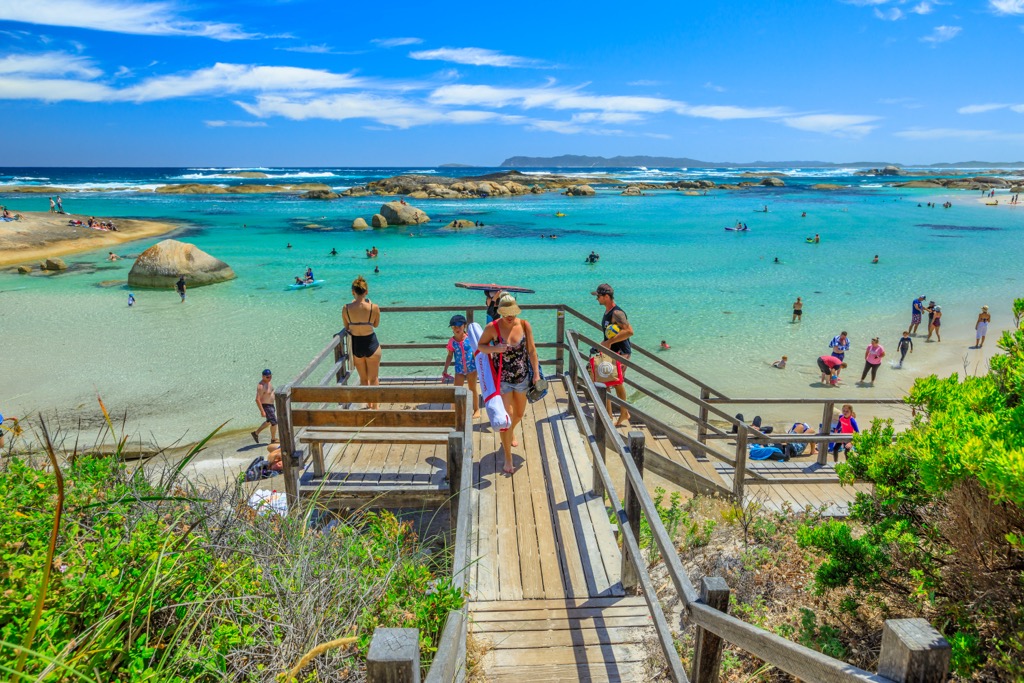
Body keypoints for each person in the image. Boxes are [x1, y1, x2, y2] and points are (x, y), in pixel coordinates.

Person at [477, 295, 539, 474]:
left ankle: (510, 433)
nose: (510, 316)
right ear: (500, 312)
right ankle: (508, 458)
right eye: (506, 313)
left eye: (512, 313)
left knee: (519, 414)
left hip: (522, 378)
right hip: (502, 379)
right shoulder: (493, 327)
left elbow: (532, 351)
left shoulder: (525, 325)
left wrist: (535, 374)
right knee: (507, 418)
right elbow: (481, 346)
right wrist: (494, 348)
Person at [594, 283, 633, 427]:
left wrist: (609, 342)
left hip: (622, 353)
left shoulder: (617, 313)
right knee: (606, 382)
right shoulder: (606, 311)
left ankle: (621, 413)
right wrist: (604, 344)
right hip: (611, 352)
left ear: (606, 296)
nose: (596, 299)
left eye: (598, 296)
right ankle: (610, 415)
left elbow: (629, 331)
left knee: (615, 382)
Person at [343, 276, 382, 408]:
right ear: (366, 291)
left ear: (353, 292)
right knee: (374, 378)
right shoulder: (374, 307)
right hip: (371, 342)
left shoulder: (346, 308)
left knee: (364, 379)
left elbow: (347, 327)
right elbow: (376, 325)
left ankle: (368, 404)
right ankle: (375, 408)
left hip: (356, 344)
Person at [442, 314, 480, 419]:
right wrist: (445, 369)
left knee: (472, 389)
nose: (457, 328)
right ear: (451, 328)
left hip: (472, 369)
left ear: (464, 326)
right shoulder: (452, 342)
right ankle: (453, 411)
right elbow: (449, 356)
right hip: (459, 370)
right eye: (454, 326)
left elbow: (478, 353)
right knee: (456, 390)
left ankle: (476, 409)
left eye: (459, 326)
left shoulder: (470, 339)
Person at [251, 369, 278, 444]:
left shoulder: (268, 382)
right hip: (266, 406)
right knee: (274, 423)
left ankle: (256, 433)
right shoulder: (261, 386)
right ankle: (273, 439)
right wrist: (262, 411)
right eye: (267, 377)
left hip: (271, 405)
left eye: (270, 376)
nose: (269, 378)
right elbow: (257, 399)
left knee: (269, 421)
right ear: (263, 376)